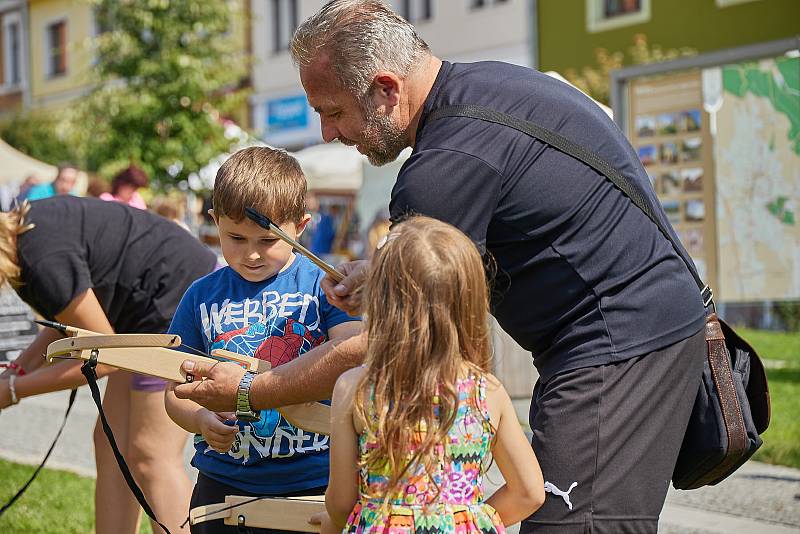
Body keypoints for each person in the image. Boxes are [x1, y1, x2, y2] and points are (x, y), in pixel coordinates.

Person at [172, 2, 707, 531]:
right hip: (641, 327)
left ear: (385, 90)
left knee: (575, 527)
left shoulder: (442, 167)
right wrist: (379, 274)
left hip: (618, 343)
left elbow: (381, 339)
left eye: (333, 112)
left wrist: (248, 392)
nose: (329, 133)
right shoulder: (493, 85)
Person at [164, 146, 361, 534]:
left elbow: (352, 351)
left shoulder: (323, 284)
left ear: (301, 226)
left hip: (317, 480)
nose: (251, 254)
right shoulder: (201, 295)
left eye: (267, 241)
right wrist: (201, 419)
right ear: (214, 221)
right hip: (223, 483)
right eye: (235, 238)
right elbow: (174, 391)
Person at [0, 196, 217, 533]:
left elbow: (103, 361)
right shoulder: (25, 237)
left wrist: (14, 390)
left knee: (151, 455)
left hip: (173, 300)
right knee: (110, 441)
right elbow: (71, 323)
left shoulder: (43, 261)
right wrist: (16, 372)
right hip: (140, 314)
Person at [316, 216, 544, 534]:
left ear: (382, 302)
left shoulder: (357, 387)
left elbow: (341, 503)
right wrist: (463, 522)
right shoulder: (486, 391)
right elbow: (528, 492)